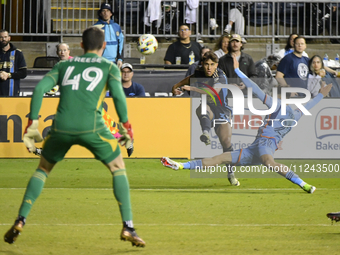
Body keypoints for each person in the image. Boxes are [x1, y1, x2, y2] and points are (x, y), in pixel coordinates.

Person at [3, 26, 145, 247]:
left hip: (61, 128)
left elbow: (40, 88)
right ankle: (128, 226)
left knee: (43, 169)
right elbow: (118, 97)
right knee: (118, 167)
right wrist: (126, 126)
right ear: (104, 46)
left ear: (80, 45)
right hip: (92, 127)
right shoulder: (109, 67)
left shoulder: (65, 65)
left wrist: (32, 123)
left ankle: (21, 219)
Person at [162, 54, 332, 193]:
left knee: (269, 163)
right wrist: (321, 96)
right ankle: (180, 165)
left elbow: (255, 89)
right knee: (220, 158)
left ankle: (305, 185)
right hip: (254, 148)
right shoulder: (296, 114)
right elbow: (310, 104)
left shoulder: (277, 105)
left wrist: (237, 70)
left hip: (266, 144)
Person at [172, 51, 240, 186]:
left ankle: (231, 173)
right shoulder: (200, 72)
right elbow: (189, 78)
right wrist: (175, 87)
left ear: (216, 65)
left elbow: (213, 92)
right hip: (209, 106)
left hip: (222, 110)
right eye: (206, 64)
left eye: (212, 65)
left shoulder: (219, 76)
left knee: (226, 143)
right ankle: (206, 133)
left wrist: (191, 88)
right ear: (202, 64)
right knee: (202, 107)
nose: (209, 68)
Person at [94, 3, 124, 68]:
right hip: (100, 61)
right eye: (103, 11)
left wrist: (120, 59)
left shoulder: (116, 26)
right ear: (100, 13)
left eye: (108, 11)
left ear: (111, 14)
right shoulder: (95, 27)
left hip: (114, 62)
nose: (106, 13)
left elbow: (120, 43)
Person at [0, 29, 27, 96]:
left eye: (5, 37)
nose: (3, 39)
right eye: (1, 37)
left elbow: (23, 73)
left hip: (12, 93)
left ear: (9, 38)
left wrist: (8, 75)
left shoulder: (18, 53)